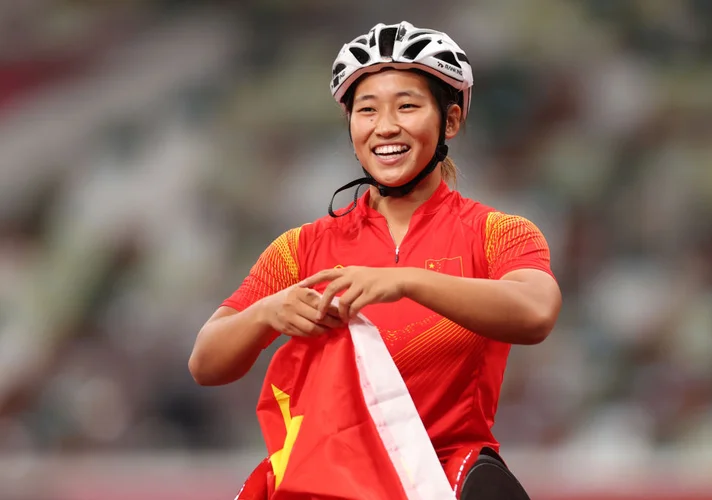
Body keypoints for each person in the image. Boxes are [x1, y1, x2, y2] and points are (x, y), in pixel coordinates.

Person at [189, 21, 561, 497]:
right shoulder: (300, 247)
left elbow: (536, 312)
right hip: (326, 476)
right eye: (367, 110)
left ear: (449, 121)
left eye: (407, 106)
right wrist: (267, 312)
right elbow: (206, 362)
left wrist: (405, 281)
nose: (385, 126)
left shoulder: (497, 233)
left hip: (443, 475)